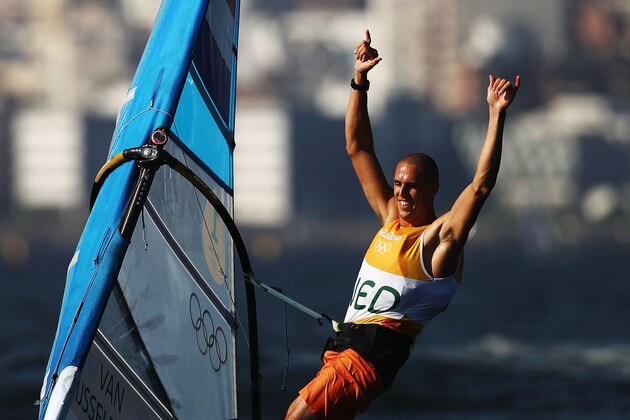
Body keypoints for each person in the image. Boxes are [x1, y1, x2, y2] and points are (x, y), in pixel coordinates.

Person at [285, 30, 520, 419]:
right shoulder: (390, 219)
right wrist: (359, 80)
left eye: (412, 187)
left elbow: (479, 188)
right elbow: (357, 148)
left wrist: (496, 116)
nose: (403, 193)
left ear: (433, 189)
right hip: (342, 353)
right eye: (398, 184)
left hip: (365, 363)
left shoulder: (438, 243)